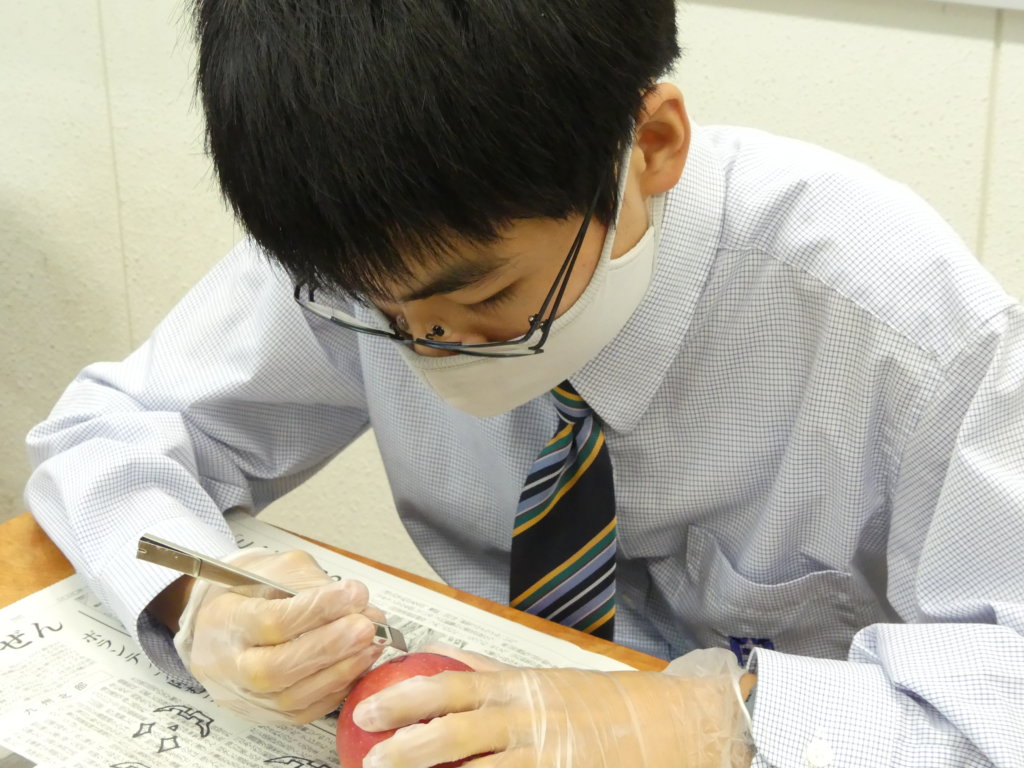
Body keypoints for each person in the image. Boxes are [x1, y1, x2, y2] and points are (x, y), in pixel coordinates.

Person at [24, 1, 1024, 766]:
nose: (424, 345)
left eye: (483, 297)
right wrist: (198, 596)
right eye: (380, 312)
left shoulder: (899, 320)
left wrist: (711, 720)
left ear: (652, 147)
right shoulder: (369, 256)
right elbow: (107, 433)